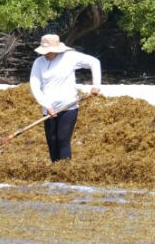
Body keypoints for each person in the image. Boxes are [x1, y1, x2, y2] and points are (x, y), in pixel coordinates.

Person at [29, 34, 101, 163]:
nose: (46, 54)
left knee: (62, 139)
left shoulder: (70, 57)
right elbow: (35, 85)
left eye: (49, 51)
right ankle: (55, 174)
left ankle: (65, 172)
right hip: (48, 109)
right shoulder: (39, 62)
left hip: (68, 106)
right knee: (52, 141)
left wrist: (96, 85)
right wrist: (47, 105)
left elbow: (94, 62)